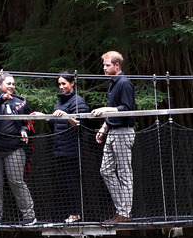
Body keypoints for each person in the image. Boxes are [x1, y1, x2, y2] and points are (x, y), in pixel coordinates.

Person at [0, 71, 37, 225]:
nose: (12, 86)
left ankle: (29, 216)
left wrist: (24, 130)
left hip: (14, 148)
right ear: (0, 85)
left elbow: (26, 121)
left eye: (13, 84)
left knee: (16, 181)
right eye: (8, 84)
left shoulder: (20, 102)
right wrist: (1, 98)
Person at [91, 51, 136, 223]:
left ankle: (124, 213)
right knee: (106, 170)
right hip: (112, 132)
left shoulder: (124, 83)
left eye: (107, 65)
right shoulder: (112, 83)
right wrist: (103, 128)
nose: (104, 68)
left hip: (124, 132)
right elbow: (115, 111)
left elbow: (127, 108)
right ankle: (122, 209)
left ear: (117, 66)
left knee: (125, 173)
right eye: (104, 65)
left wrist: (106, 109)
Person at [48, 72, 89, 223]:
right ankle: (70, 213)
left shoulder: (78, 101)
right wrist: (43, 116)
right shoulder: (60, 101)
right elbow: (55, 124)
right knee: (64, 183)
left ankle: (76, 214)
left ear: (72, 83)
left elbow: (80, 124)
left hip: (72, 150)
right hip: (60, 149)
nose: (61, 87)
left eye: (64, 83)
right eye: (59, 84)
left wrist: (66, 115)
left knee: (72, 183)